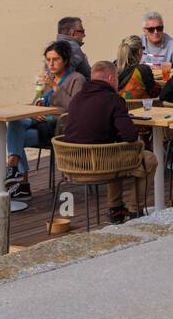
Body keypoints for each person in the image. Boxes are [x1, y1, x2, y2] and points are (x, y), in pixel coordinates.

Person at [62, 60, 150, 224]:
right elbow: (130, 137)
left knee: (113, 151)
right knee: (149, 159)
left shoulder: (76, 99)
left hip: (71, 164)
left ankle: (115, 208)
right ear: (111, 78)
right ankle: (135, 209)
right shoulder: (113, 100)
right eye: (117, 77)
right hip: (98, 165)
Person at [6, 41, 85, 200]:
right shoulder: (48, 78)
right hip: (40, 122)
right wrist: (35, 106)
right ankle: (15, 170)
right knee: (14, 123)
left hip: (58, 128)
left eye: (55, 59)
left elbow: (75, 107)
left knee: (16, 136)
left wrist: (54, 86)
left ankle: (20, 180)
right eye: (48, 60)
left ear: (65, 60)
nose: (51, 64)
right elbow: (39, 102)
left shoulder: (77, 79)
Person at [115, 35, 160, 102]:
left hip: (118, 108)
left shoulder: (113, 67)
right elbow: (154, 92)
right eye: (143, 48)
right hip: (141, 109)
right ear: (139, 51)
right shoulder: (142, 70)